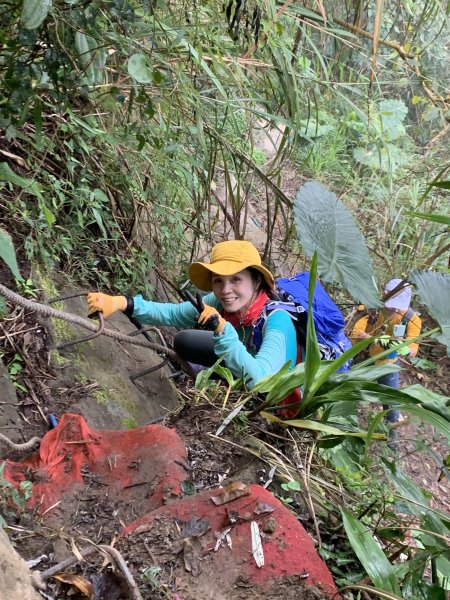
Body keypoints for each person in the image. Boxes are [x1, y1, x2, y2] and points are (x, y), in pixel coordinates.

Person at [87, 241, 300, 405]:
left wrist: (222, 329)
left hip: (272, 394)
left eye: (236, 279)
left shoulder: (277, 319)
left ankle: (228, 391)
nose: (226, 290)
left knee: (254, 391)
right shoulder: (220, 301)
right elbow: (173, 314)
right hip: (245, 357)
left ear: (257, 281)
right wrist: (123, 302)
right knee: (185, 341)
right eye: (218, 280)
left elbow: (261, 382)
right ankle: (221, 383)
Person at [351, 278, 421, 426]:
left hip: (388, 363)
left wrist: (406, 349)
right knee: (348, 386)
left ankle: (391, 431)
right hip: (365, 357)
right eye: (392, 306)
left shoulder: (411, 319)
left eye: (399, 307)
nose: (395, 310)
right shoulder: (372, 307)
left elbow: (413, 348)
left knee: (390, 399)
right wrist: (369, 338)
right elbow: (357, 331)